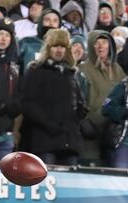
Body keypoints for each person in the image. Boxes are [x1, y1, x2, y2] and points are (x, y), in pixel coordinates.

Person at [20, 28, 88, 165]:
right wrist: (50, 125)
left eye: (63, 46)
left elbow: (79, 102)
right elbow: (27, 104)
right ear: (48, 48)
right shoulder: (36, 71)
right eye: (56, 46)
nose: (59, 50)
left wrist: (81, 112)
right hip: (44, 141)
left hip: (69, 142)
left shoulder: (71, 74)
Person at [77, 30, 125, 166]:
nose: (100, 46)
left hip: (113, 134)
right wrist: (84, 122)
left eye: (104, 42)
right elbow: (76, 100)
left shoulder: (118, 70)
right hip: (90, 134)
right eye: (96, 43)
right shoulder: (82, 69)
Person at [0, 18, 21, 161]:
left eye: (8, 35)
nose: (4, 38)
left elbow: (19, 95)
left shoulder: (14, 67)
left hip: (6, 134)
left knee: (1, 177)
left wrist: (15, 108)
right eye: (0, 34)